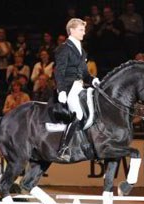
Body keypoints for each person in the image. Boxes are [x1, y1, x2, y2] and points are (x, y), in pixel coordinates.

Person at [54, 18, 100, 157]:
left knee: (95, 109)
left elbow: (85, 73)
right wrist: (61, 90)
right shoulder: (64, 48)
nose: (84, 33)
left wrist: (93, 80)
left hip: (80, 86)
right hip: (68, 88)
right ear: (72, 30)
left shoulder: (82, 50)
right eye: (81, 30)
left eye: (84, 30)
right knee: (79, 114)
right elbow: (59, 71)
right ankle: (64, 148)